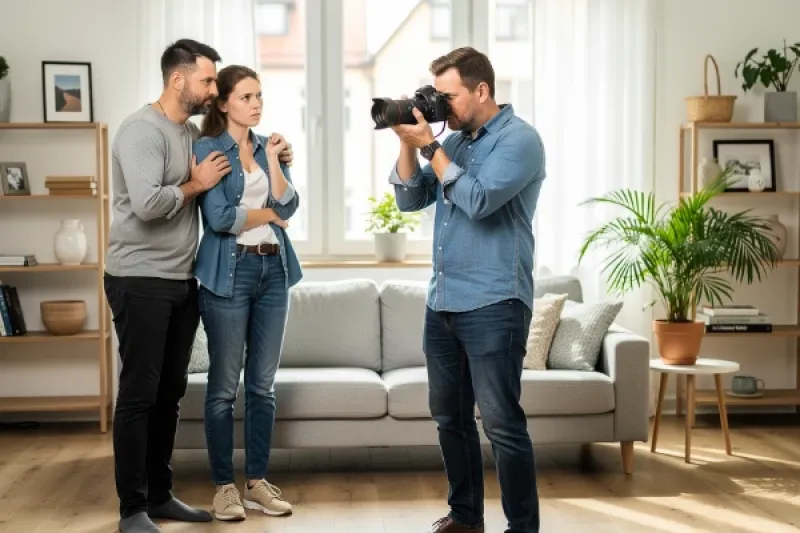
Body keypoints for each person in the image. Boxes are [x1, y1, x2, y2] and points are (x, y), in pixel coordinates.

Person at [104, 40, 293, 533]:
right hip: (138, 277)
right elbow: (148, 206)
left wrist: (276, 153)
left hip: (182, 277)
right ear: (178, 80)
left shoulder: (189, 132)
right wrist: (198, 183)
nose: (214, 89)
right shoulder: (140, 131)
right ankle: (132, 507)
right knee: (139, 392)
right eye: (209, 81)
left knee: (170, 391)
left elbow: (237, 160)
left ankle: (161, 494)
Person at [387, 47, 546, 533]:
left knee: (501, 424)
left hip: (495, 301)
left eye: (448, 96)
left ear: (482, 90)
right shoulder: (454, 143)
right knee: (450, 419)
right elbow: (409, 198)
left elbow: (477, 201)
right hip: (444, 301)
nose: (443, 106)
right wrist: (408, 143)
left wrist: (432, 148)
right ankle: (465, 516)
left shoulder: (520, 141)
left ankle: (522, 527)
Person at [191, 65, 303, 522]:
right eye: (246, 97)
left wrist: (276, 164)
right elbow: (219, 218)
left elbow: (290, 203)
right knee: (222, 389)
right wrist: (269, 216)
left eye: (260, 95)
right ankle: (224, 488)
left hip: (273, 270)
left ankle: (256, 483)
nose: (256, 104)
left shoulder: (269, 146)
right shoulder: (208, 149)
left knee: (262, 386)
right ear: (223, 103)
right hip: (230, 274)